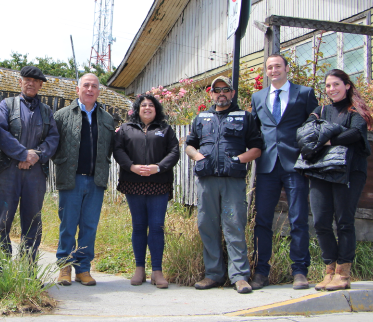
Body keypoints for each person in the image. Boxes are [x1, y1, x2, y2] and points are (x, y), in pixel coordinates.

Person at [185, 77, 263, 294]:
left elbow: (257, 148)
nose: (221, 93)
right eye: (216, 90)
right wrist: (198, 156)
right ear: (211, 94)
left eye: (225, 90)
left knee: (234, 225)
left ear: (233, 93)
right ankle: (213, 274)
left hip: (233, 181)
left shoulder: (245, 117)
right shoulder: (201, 118)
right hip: (207, 181)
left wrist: (238, 160)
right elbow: (189, 145)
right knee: (207, 226)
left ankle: (239, 276)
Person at [250, 54, 318, 289]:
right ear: (266, 71)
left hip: (295, 165)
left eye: (278, 66)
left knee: (298, 219)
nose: (274, 70)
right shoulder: (257, 97)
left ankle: (299, 271)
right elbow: (255, 131)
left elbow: (314, 126)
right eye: (270, 67)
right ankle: (261, 271)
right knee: (263, 220)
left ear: (287, 68)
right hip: (267, 166)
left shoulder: (305, 93)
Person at [307, 69, 372, 291]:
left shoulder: (355, 111)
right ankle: (329, 271)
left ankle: (343, 274)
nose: (331, 89)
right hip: (321, 171)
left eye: (336, 84)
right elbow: (307, 133)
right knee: (320, 222)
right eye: (327, 85)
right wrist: (330, 138)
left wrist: (326, 140)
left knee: (344, 221)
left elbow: (355, 133)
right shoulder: (320, 110)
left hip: (350, 172)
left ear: (347, 86)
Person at [52, 73, 115, 286]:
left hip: (96, 181)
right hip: (71, 180)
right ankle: (64, 268)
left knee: (89, 226)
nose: (90, 89)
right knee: (68, 226)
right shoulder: (62, 115)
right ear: (77, 89)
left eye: (94, 86)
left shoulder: (107, 119)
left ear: (98, 91)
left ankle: (83, 269)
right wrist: (60, 161)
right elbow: (52, 144)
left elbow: (114, 148)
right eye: (86, 85)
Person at [0, 66, 59, 261]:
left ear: (40, 85)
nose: (30, 83)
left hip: (35, 174)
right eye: (26, 79)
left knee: (32, 222)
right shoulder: (7, 105)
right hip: (8, 172)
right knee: (2, 220)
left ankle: (27, 270)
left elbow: (53, 138)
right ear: (20, 82)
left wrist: (35, 156)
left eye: (35, 80)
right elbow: (0, 132)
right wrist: (22, 154)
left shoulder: (47, 111)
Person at [113, 95, 180, 289]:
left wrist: (158, 167)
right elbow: (118, 150)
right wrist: (131, 167)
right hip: (133, 182)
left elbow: (174, 152)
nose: (147, 108)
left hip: (159, 182)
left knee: (157, 226)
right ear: (137, 109)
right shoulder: (126, 129)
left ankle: (157, 271)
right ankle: (139, 269)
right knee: (139, 226)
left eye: (151, 105)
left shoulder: (165, 129)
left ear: (156, 109)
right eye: (143, 105)